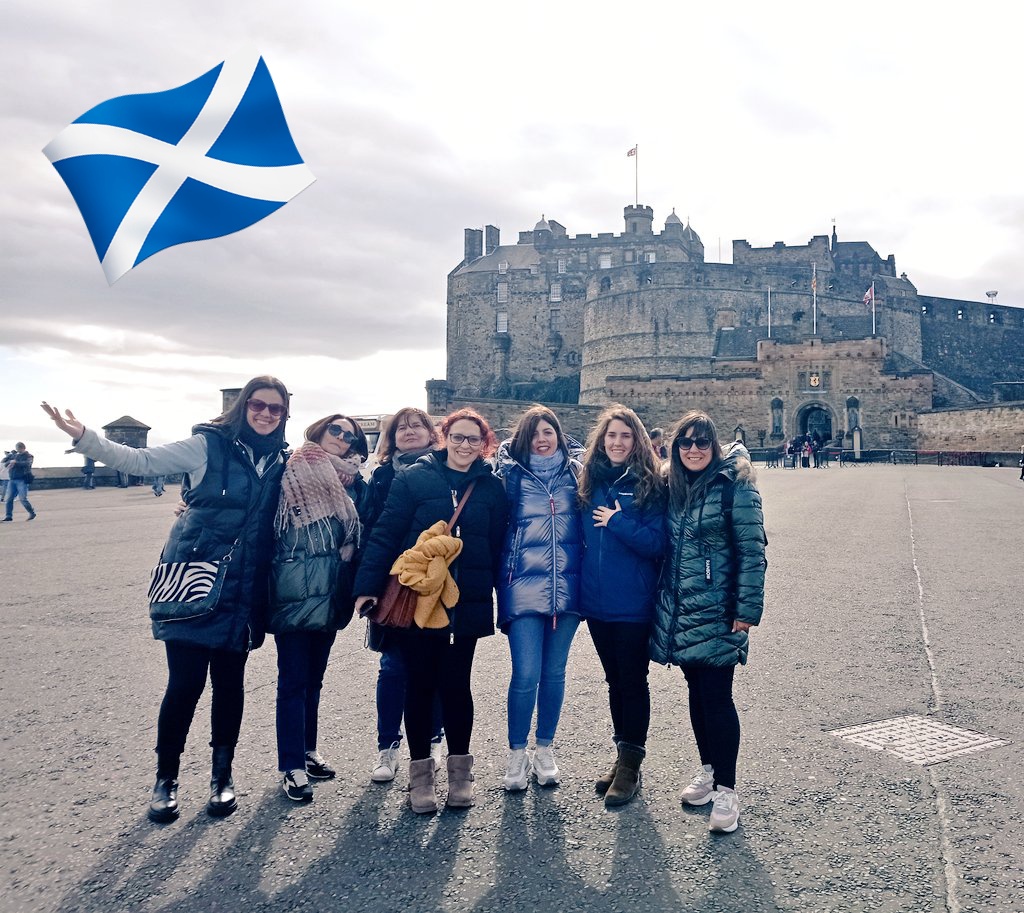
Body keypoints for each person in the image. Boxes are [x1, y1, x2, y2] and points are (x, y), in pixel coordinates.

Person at [41, 376, 289, 823]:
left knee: (230, 686)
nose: (266, 414)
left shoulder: (281, 460)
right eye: (258, 404)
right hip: (193, 580)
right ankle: (166, 779)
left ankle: (222, 776)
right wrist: (84, 437)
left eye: (276, 408)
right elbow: (139, 459)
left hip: (245, 587)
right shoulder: (205, 446)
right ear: (241, 406)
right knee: (184, 685)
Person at [353, 408, 507, 814]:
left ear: (484, 444)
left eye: (473, 439)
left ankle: (460, 774)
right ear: (444, 437)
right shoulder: (414, 478)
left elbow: (495, 545)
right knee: (419, 686)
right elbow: (386, 532)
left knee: (457, 687)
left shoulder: (491, 489)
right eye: (457, 437)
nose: (464, 445)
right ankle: (420, 777)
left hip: (465, 604)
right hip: (418, 599)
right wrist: (367, 588)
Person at [651, 411, 767, 834]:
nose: (694, 450)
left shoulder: (735, 486)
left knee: (717, 697)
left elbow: (753, 552)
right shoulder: (673, 487)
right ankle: (708, 769)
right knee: (696, 693)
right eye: (686, 443)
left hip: (719, 610)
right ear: (675, 448)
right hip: (681, 609)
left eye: (702, 443)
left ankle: (727, 789)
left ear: (715, 446)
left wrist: (746, 611)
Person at [268, 414, 366, 802]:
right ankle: (290, 765)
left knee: (314, 679)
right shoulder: (289, 469)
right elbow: (260, 520)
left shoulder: (352, 481)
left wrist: (353, 551)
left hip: (329, 591)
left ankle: (307, 751)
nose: (341, 437)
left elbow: (362, 528)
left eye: (349, 434)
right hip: (293, 589)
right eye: (335, 430)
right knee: (292, 680)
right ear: (319, 431)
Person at [576, 405, 666, 807]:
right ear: (602, 440)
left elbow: (657, 543)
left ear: (638, 442)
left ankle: (631, 767)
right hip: (596, 603)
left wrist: (617, 522)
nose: (617, 443)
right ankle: (621, 755)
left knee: (632, 681)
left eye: (626, 436)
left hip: (633, 603)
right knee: (614, 681)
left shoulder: (650, 484)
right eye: (612, 435)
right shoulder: (588, 481)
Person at [496, 405, 583, 791]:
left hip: (567, 587)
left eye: (548, 432)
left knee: (554, 674)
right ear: (523, 440)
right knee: (526, 673)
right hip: (522, 587)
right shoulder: (509, 477)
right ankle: (517, 754)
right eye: (534, 434)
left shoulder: (577, 475)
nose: (542, 440)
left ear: (559, 436)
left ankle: (544, 749)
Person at [363, 407, 444, 784]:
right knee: (393, 667)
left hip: (435, 584)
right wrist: (366, 585)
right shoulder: (380, 477)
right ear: (391, 438)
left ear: (431, 433)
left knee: (436, 666)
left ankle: (433, 737)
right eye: (401, 428)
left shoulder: (447, 473)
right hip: (393, 584)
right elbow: (369, 531)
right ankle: (388, 745)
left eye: (417, 426)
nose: (410, 432)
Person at [3, 442, 36, 521]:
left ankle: (31, 512)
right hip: (12, 479)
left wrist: (15, 462)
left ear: (23, 448)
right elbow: (4, 462)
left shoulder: (29, 456)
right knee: (8, 499)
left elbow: (27, 464)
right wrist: (9, 458)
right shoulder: (14, 455)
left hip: (22, 479)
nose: (19, 451)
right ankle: (8, 516)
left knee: (23, 498)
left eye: (20, 449)